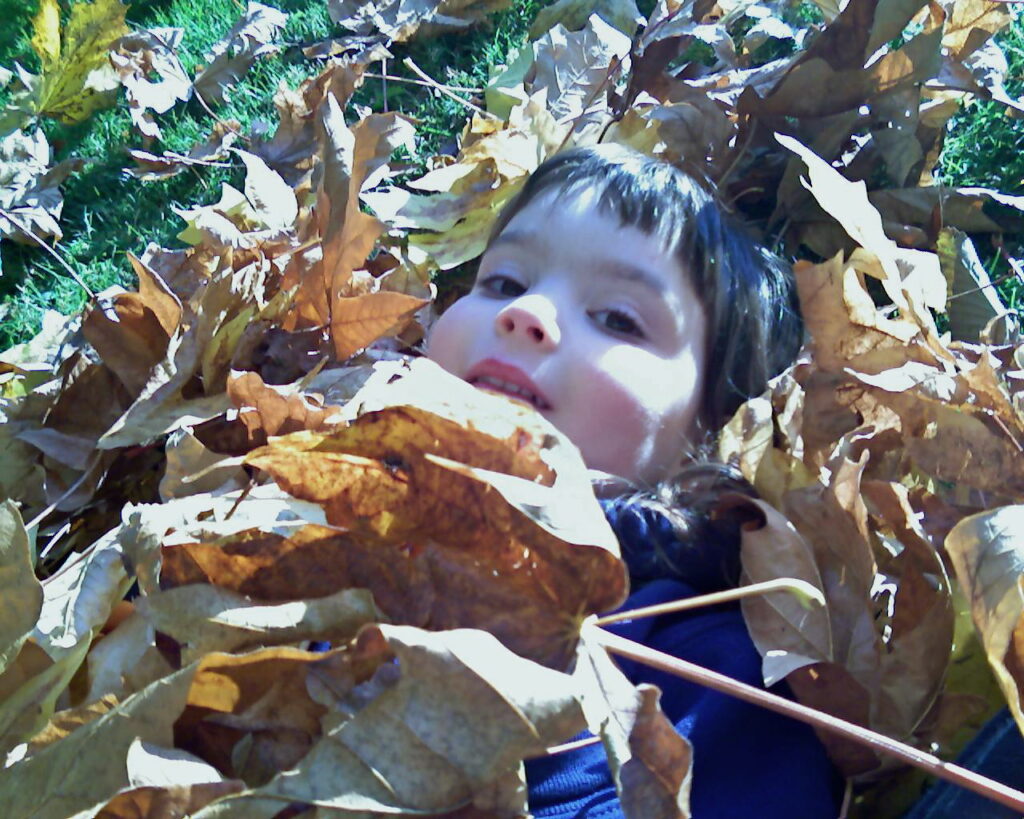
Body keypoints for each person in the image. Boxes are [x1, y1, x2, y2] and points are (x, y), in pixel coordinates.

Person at [426, 144, 843, 817]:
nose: (526, 312)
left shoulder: (705, 675)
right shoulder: (293, 534)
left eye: (617, 318)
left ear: (710, 435)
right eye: (503, 281)